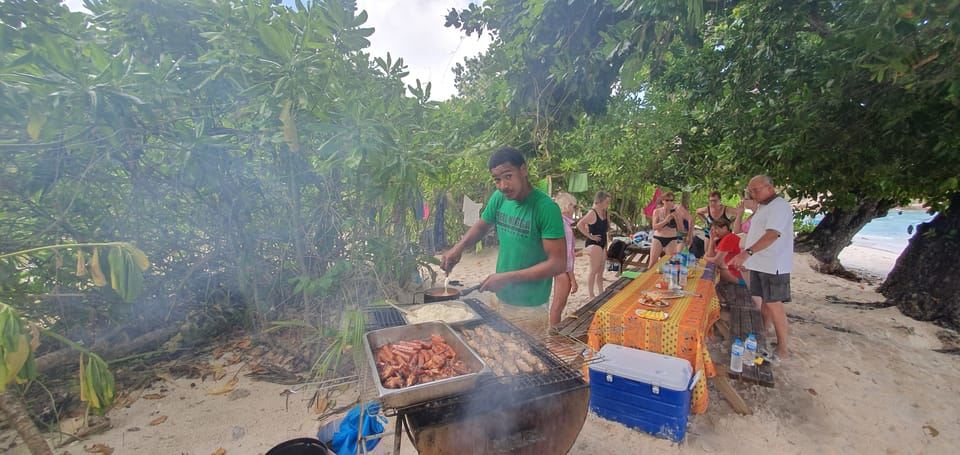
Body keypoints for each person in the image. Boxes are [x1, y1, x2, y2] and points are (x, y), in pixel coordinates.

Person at [441, 147, 566, 335]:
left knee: (529, 359)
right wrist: (458, 248)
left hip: (530, 307)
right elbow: (482, 226)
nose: (503, 186)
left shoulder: (546, 208)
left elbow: (558, 263)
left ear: (523, 170)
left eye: (508, 176)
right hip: (501, 298)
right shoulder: (500, 198)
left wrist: (507, 277)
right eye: (497, 180)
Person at [730, 175, 793, 361]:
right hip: (759, 263)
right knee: (765, 302)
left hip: (773, 264)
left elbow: (772, 234)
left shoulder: (779, 206)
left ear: (770, 188)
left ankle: (783, 350)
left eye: (756, 190)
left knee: (775, 305)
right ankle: (764, 332)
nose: (753, 194)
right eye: (751, 191)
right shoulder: (764, 207)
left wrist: (746, 253)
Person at [550, 192, 579, 327]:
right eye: (574, 206)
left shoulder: (558, 222)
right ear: (567, 207)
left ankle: (554, 332)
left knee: (557, 306)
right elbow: (566, 256)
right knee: (558, 306)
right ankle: (554, 336)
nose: (575, 210)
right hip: (563, 270)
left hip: (557, 267)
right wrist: (573, 279)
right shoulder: (565, 227)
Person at [576, 191, 611, 299]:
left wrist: (606, 244)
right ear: (600, 201)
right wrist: (590, 236)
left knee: (601, 270)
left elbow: (606, 230)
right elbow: (579, 224)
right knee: (594, 269)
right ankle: (591, 294)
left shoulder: (605, 212)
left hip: (603, 242)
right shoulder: (592, 212)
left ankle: (601, 293)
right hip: (594, 243)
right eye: (607, 201)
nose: (608, 204)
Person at [647, 192, 693, 270]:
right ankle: (646, 279)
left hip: (671, 238)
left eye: (672, 200)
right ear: (663, 201)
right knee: (652, 263)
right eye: (667, 200)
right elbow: (654, 227)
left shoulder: (676, 212)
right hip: (658, 238)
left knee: (671, 263)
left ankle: (667, 280)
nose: (670, 202)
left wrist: (677, 218)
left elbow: (681, 229)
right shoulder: (657, 211)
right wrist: (666, 220)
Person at [703, 218, 744, 285]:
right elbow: (711, 255)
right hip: (730, 273)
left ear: (725, 228)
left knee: (708, 274)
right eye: (712, 230)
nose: (714, 232)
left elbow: (716, 261)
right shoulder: (724, 238)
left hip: (737, 277)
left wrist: (705, 257)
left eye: (716, 229)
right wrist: (712, 239)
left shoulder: (729, 238)